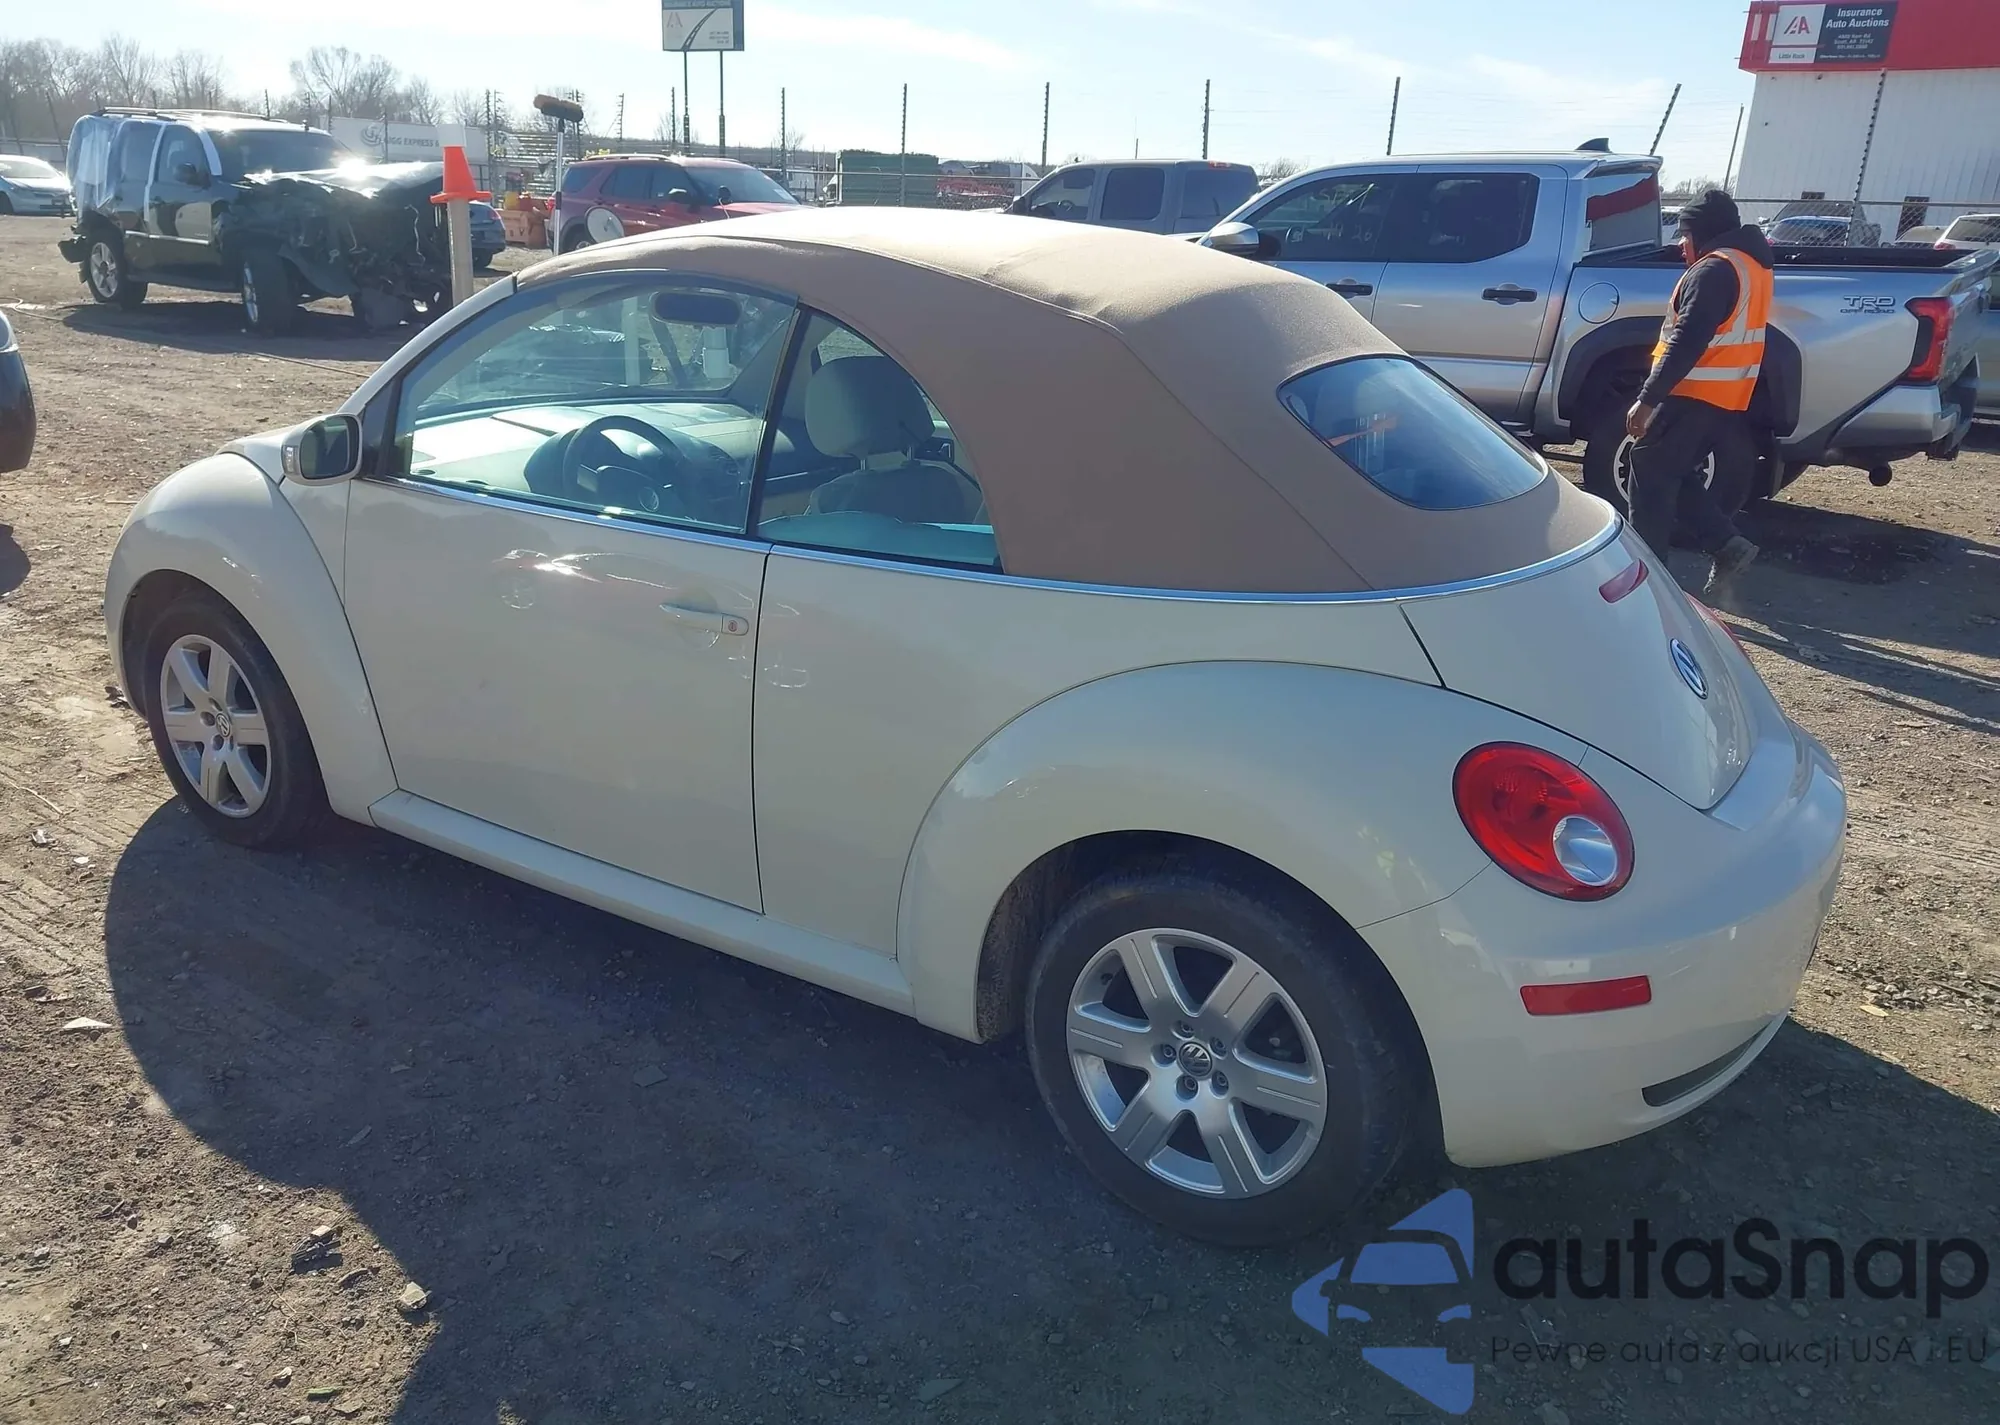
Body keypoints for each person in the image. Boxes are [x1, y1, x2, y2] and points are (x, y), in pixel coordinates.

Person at [1624, 188, 1770, 595]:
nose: (1681, 245)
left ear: (1703, 233)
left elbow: (1688, 339)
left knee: (1650, 469)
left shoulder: (1714, 270)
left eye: (1685, 235)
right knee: (1665, 469)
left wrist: (1648, 398)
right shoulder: (1749, 266)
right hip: (1724, 397)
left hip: (1693, 391)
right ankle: (1726, 545)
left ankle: (1648, 579)